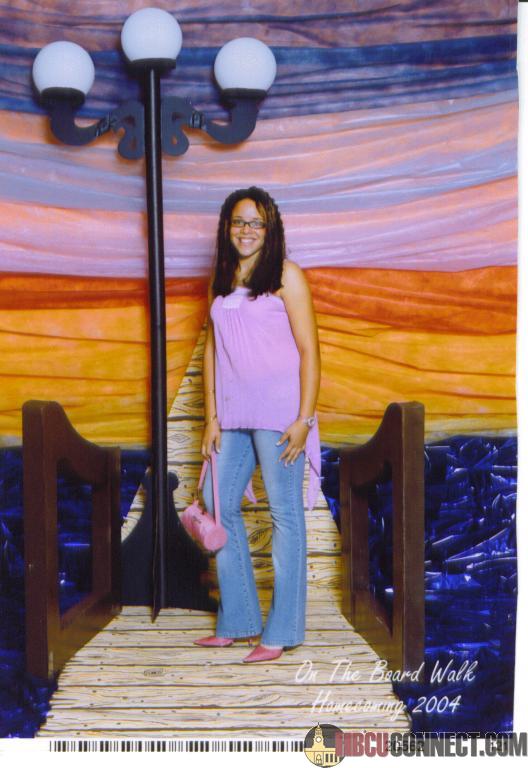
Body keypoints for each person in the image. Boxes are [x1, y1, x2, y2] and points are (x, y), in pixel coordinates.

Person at [194, 186, 321, 663]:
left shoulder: (287, 276)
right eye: (238, 221)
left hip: (280, 416)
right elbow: (212, 351)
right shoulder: (223, 278)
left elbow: (310, 351)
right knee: (218, 504)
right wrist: (211, 417)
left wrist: (304, 420)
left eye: (256, 222)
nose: (246, 230)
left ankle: (282, 630)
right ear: (227, 227)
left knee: (284, 514)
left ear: (270, 229)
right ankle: (240, 620)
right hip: (233, 415)